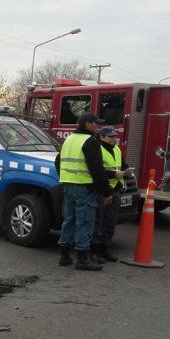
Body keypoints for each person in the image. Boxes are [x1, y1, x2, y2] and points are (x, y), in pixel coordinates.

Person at [55, 112, 112, 271]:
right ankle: (82, 259)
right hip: (85, 187)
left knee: (69, 219)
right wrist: (106, 192)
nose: (99, 127)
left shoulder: (69, 139)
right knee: (85, 221)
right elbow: (97, 170)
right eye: (96, 123)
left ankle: (64, 256)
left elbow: (58, 161)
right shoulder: (91, 141)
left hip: (68, 185)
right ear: (87, 124)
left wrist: (65, 177)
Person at [91, 126, 132, 263]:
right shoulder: (97, 149)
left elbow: (122, 164)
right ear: (102, 137)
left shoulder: (116, 149)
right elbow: (98, 170)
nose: (114, 138)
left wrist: (127, 170)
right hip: (102, 189)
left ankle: (104, 248)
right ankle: (94, 251)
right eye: (110, 136)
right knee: (98, 221)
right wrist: (114, 174)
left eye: (114, 136)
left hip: (115, 189)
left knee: (110, 221)